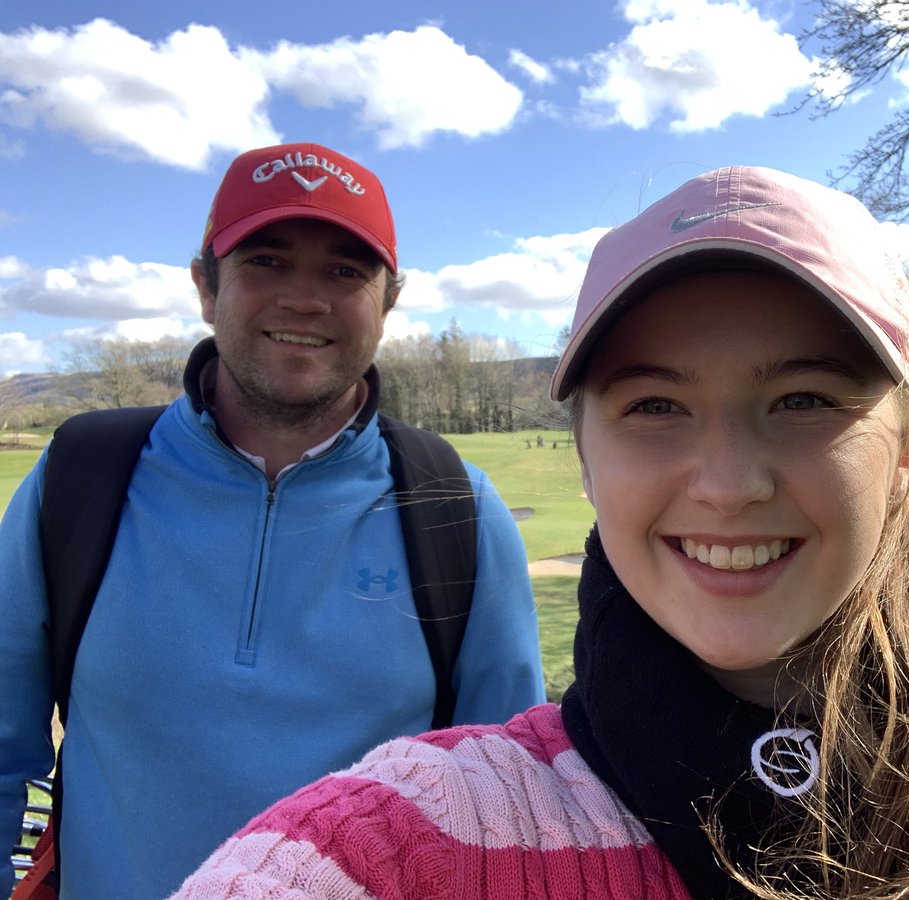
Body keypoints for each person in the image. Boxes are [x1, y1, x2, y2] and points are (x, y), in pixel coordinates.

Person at [170, 166, 909, 899]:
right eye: (653, 406)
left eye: (805, 398)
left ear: (908, 450)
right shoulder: (391, 850)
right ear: (587, 455)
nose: (729, 486)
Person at [0, 142, 545, 899]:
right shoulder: (79, 476)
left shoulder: (457, 508)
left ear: (388, 302)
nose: (304, 298)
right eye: (266, 260)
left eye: (346, 272)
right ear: (205, 285)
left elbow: (509, 804)